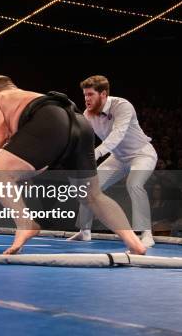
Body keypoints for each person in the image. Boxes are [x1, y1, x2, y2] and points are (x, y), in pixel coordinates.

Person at [0, 75, 146, 255]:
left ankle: (25, 223)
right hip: (79, 123)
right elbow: (32, 153)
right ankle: (135, 244)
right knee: (93, 195)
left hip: (50, 121)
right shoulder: (27, 96)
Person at [68, 75, 157, 247]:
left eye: (90, 94)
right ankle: (84, 231)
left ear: (103, 94)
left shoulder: (122, 106)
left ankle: (147, 234)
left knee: (134, 184)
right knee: (89, 187)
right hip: (118, 158)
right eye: (85, 95)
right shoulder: (88, 114)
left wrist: (97, 153)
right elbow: (80, 139)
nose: (86, 99)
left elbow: (118, 134)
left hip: (142, 154)